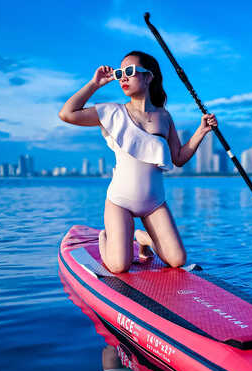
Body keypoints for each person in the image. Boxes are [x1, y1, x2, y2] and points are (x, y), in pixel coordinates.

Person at [59, 51, 216, 273]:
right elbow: (67, 113)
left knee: (177, 259)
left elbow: (179, 158)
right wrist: (95, 84)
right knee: (119, 266)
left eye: (130, 71)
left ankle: (142, 237)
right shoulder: (112, 112)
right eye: (120, 73)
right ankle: (106, 237)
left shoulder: (164, 116)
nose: (123, 77)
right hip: (120, 202)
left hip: (154, 202)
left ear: (148, 77)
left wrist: (202, 131)